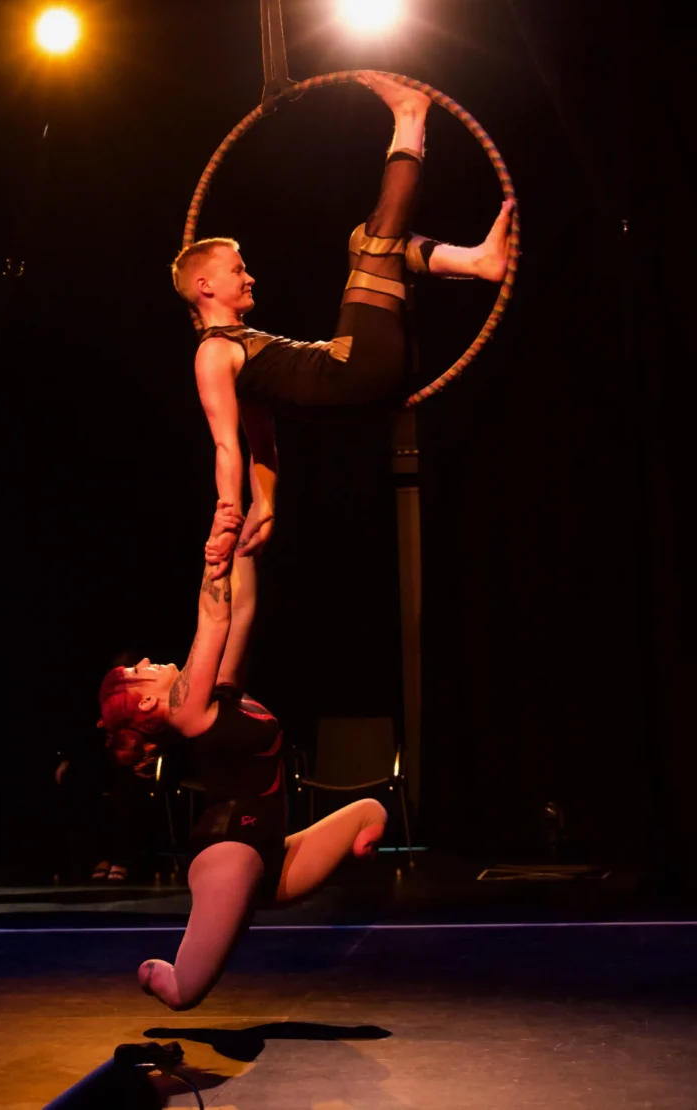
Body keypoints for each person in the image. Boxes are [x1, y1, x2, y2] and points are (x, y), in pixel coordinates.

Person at [171, 71, 514, 577]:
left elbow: (261, 444)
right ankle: (411, 117)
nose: (250, 277)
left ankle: (480, 262)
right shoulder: (214, 353)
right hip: (356, 369)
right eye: (237, 270)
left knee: (363, 240)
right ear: (205, 288)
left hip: (365, 377)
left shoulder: (234, 354)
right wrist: (227, 514)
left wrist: (265, 506)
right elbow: (227, 443)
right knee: (377, 240)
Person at [99, 501, 388, 1011]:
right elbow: (215, 616)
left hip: (270, 856)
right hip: (229, 855)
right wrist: (215, 550)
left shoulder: (218, 695)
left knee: (370, 813)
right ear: (146, 700)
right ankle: (151, 972)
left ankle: (223, 920)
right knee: (184, 990)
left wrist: (247, 542)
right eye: (137, 670)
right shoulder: (188, 710)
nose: (145, 660)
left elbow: (243, 612)